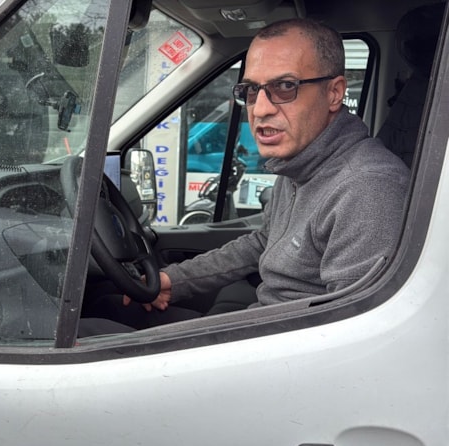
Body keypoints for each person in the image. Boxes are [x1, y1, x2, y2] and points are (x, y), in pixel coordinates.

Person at [109, 18, 411, 328]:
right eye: (252, 89)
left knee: (95, 332)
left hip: (280, 344)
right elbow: (263, 242)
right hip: (264, 324)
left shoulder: (367, 189)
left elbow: (346, 332)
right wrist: (174, 280)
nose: (260, 109)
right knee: (109, 307)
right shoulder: (301, 163)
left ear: (334, 93)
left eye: (286, 86)